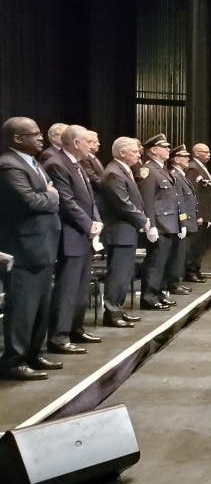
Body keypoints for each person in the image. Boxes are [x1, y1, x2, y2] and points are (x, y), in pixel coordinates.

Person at [0, 117, 62, 380]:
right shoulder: (8, 165)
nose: (41, 138)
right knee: (23, 308)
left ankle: (34, 353)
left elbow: (43, 196)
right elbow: (30, 202)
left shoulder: (33, 163)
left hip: (42, 246)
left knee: (40, 306)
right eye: (35, 134)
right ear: (17, 138)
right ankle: (14, 361)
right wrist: (51, 196)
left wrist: (48, 195)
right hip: (23, 249)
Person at [45, 124, 103, 353]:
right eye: (89, 142)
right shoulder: (57, 164)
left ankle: (76, 328)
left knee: (80, 287)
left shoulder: (76, 164)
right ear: (76, 143)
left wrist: (96, 221)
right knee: (67, 288)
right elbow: (67, 202)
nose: (93, 146)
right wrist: (89, 224)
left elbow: (89, 199)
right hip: (71, 234)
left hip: (84, 234)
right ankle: (59, 336)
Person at [97, 137, 148, 328]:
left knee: (125, 273)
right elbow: (122, 203)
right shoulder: (113, 172)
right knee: (118, 273)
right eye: (134, 151)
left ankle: (117, 307)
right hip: (119, 229)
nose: (138, 154)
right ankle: (111, 312)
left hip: (127, 229)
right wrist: (143, 220)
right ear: (122, 153)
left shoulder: (123, 170)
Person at [137, 134, 182, 310]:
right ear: (154, 150)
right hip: (159, 225)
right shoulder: (148, 170)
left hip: (169, 224)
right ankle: (149, 296)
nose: (168, 149)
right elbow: (147, 200)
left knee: (163, 262)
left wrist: (180, 222)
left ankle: (159, 293)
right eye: (164, 147)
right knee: (155, 263)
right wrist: (150, 225)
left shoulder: (162, 169)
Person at [184, 142, 211, 282]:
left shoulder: (201, 167)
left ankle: (196, 269)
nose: (208, 154)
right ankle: (190, 271)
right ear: (196, 153)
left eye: (209, 151)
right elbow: (193, 193)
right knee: (195, 244)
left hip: (206, 212)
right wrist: (197, 214)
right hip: (200, 214)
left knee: (202, 244)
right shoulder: (193, 168)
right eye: (205, 152)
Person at [166, 145, 197, 296]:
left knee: (182, 254)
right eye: (184, 157)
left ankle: (177, 281)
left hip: (186, 220)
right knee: (177, 255)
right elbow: (179, 202)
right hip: (181, 221)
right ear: (177, 160)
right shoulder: (175, 176)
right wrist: (182, 222)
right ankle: (174, 283)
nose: (188, 159)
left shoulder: (180, 175)